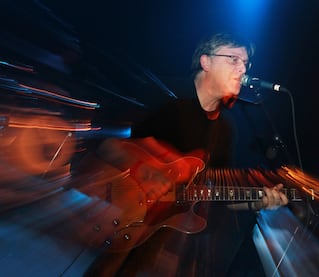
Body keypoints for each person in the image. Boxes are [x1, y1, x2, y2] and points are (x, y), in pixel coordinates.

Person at [84, 32, 289, 276]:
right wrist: (147, 168)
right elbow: (106, 138)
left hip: (160, 227)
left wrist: (256, 202)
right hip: (118, 207)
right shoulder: (164, 94)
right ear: (206, 62)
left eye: (245, 63)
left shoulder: (224, 130)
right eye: (233, 59)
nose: (242, 69)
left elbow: (215, 195)